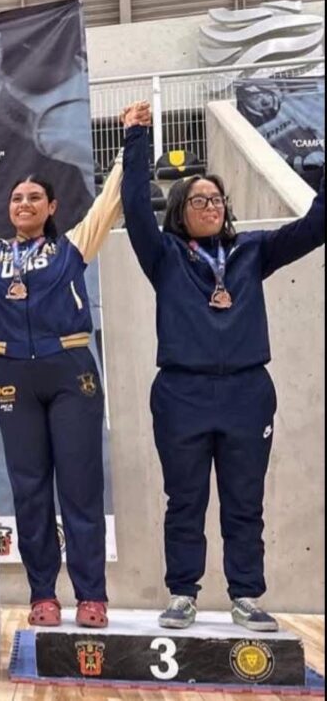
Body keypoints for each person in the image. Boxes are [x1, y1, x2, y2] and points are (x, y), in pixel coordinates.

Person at [0, 99, 150, 628]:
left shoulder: (73, 247)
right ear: (9, 208)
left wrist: (131, 141)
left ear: (52, 207)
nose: (24, 203)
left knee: (80, 487)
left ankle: (92, 595)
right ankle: (43, 595)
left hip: (70, 371)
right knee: (29, 490)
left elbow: (109, 200)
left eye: (35, 197)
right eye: (17, 198)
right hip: (13, 376)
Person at [121, 123, 325, 631]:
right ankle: (182, 594)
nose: (211, 206)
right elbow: (136, 208)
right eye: (199, 200)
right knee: (185, 500)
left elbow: (316, 226)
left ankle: (246, 596)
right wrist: (136, 139)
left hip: (247, 392)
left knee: (244, 501)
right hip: (181, 394)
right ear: (180, 212)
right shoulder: (164, 256)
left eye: (216, 199)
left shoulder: (254, 251)